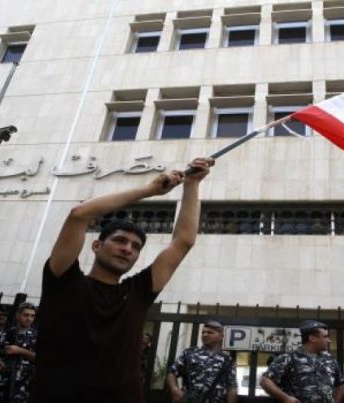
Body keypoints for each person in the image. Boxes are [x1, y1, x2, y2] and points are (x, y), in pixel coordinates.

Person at [32, 157, 214, 403]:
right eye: (119, 241)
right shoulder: (63, 280)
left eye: (135, 246)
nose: (128, 249)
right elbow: (79, 214)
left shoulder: (138, 291)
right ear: (96, 246)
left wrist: (192, 184)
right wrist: (150, 190)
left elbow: (183, 241)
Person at [260, 320, 344, 403]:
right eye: (325, 337)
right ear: (312, 338)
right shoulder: (288, 358)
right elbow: (265, 381)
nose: (329, 340)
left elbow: (340, 384)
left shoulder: (330, 360)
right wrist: (285, 398)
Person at [0, 302, 37, 403]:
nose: (29, 318)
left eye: (32, 316)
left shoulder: (36, 337)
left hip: (20, 386)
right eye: (26, 315)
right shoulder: (5, 333)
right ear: (18, 315)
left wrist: (20, 350)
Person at [166, 320, 237, 403]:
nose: (205, 335)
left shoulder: (227, 360)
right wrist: (175, 390)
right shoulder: (189, 354)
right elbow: (172, 372)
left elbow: (232, 388)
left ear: (221, 336)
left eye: (210, 332)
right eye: (203, 332)